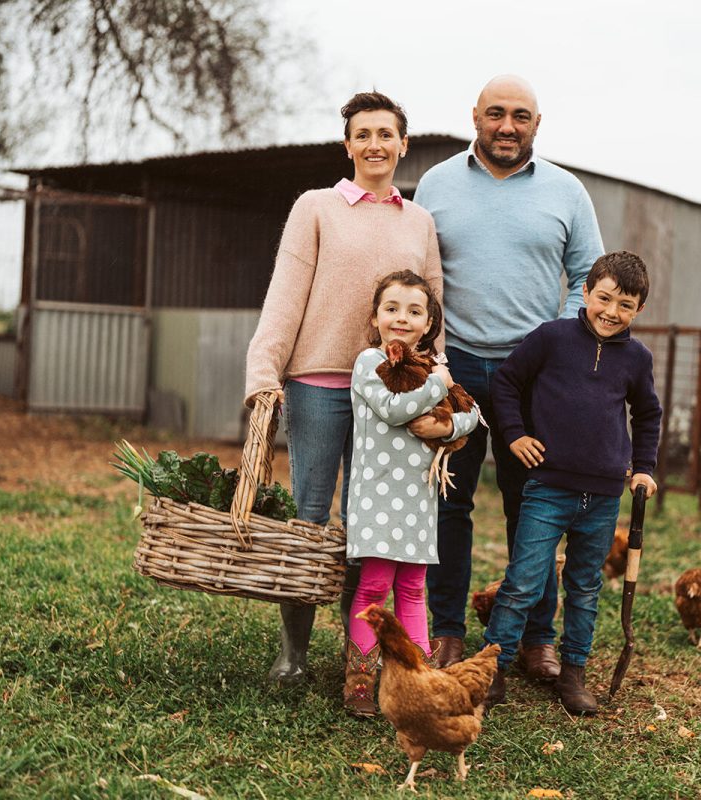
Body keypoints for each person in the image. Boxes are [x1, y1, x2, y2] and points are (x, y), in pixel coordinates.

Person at [243, 92, 441, 685]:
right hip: (319, 383)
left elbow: (433, 311)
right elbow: (285, 297)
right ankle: (293, 653)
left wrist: (438, 388)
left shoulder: (420, 220)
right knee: (309, 514)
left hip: (391, 397)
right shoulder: (316, 207)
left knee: (369, 525)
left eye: (386, 134)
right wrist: (263, 372)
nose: (375, 144)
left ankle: (361, 658)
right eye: (363, 134)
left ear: (403, 144)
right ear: (347, 144)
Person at [413, 75, 605, 678]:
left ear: (537, 124)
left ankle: (535, 639)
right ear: (475, 115)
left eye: (520, 116)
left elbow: (586, 278)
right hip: (457, 367)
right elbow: (417, 273)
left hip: (534, 374)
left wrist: (560, 346)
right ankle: (446, 629)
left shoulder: (566, 191)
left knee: (535, 507)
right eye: (495, 113)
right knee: (449, 502)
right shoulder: (437, 184)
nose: (507, 126)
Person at [482, 251, 662, 716]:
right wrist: (515, 435)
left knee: (584, 588)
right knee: (524, 582)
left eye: (625, 305)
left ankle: (574, 674)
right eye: (604, 298)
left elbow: (647, 415)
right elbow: (505, 383)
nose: (611, 312)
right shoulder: (552, 338)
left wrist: (644, 466)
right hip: (547, 488)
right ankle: (490, 665)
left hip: (602, 496)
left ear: (639, 309)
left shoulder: (637, 358)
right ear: (584, 292)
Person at [342, 270, 479, 715]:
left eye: (414, 311)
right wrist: (436, 386)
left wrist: (449, 424)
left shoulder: (429, 366)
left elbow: (472, 413)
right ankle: (360, 680)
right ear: (376, 315)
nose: (402, 318)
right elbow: (392, 408)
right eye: (392, 308)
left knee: (415, 588)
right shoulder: (369, 363)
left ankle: (415, 680)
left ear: (428, 323)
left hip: (419, 499)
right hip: (378, 498)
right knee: (375, 586)